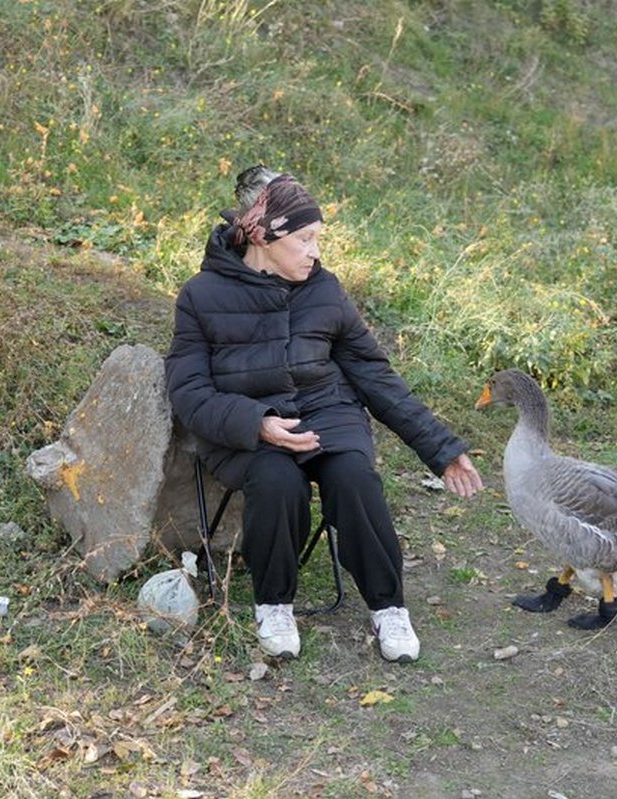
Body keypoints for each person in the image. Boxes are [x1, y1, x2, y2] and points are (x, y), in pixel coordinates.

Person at [165, 165, 483, 663]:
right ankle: (273, 603)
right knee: (277, 482)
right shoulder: (201, 298)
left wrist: (441, 450)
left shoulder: (324, 290)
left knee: (355, 478)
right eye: (307, 238)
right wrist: (257, 424)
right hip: (247, 430)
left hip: (326, 416)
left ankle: (389, 606)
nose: (316, 251)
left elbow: (375, 377)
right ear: (267, 236)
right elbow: (189, 393)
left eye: (318, 239)